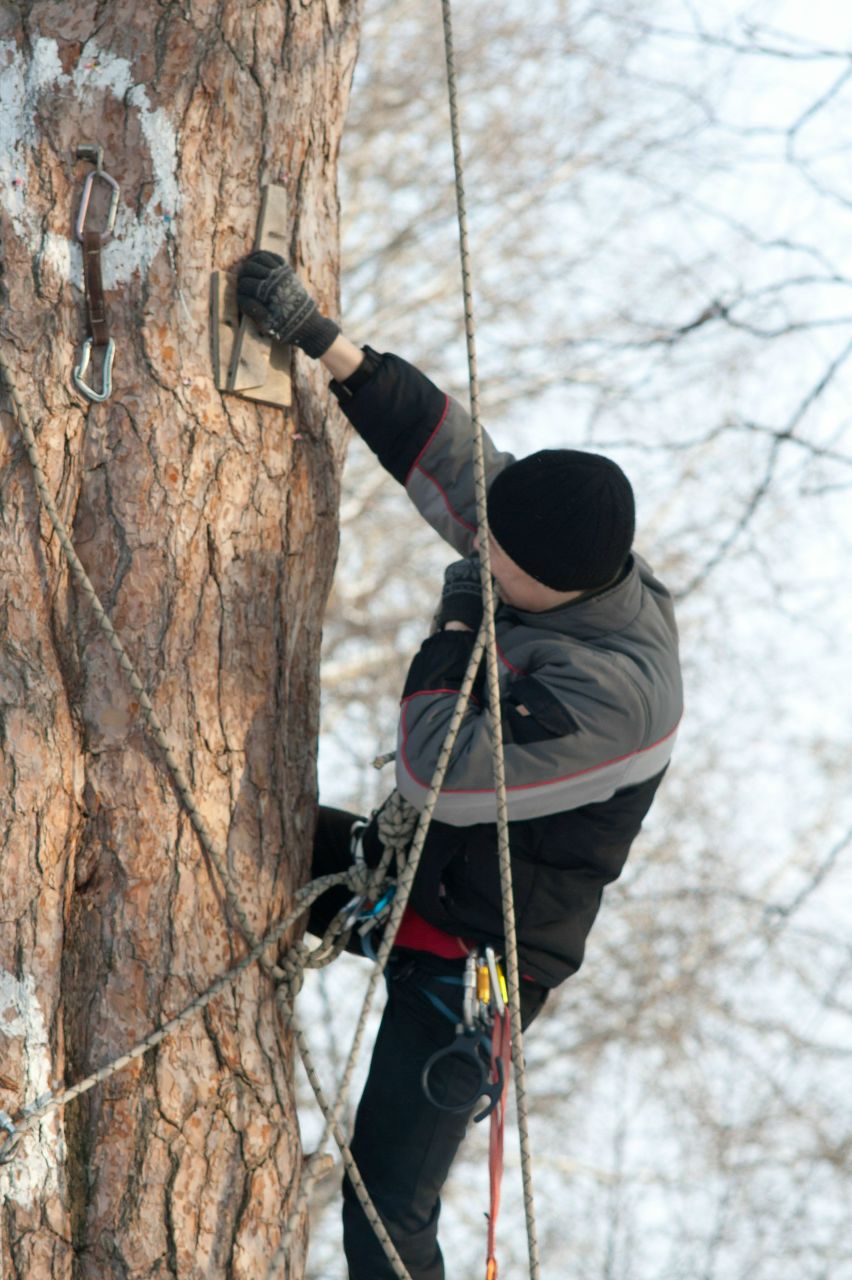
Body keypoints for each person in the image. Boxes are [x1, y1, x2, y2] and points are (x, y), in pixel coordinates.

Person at [237, 252, 684, 1280]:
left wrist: (452, 614)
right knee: (233, 832)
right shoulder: (559, 559)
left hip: (477, 961)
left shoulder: (615, 694)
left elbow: (442, 766)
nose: (478, 550)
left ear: (553, 585)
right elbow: (453, 459)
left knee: (384, 1206)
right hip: (414, 880)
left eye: (498, 560)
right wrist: (325, 341)